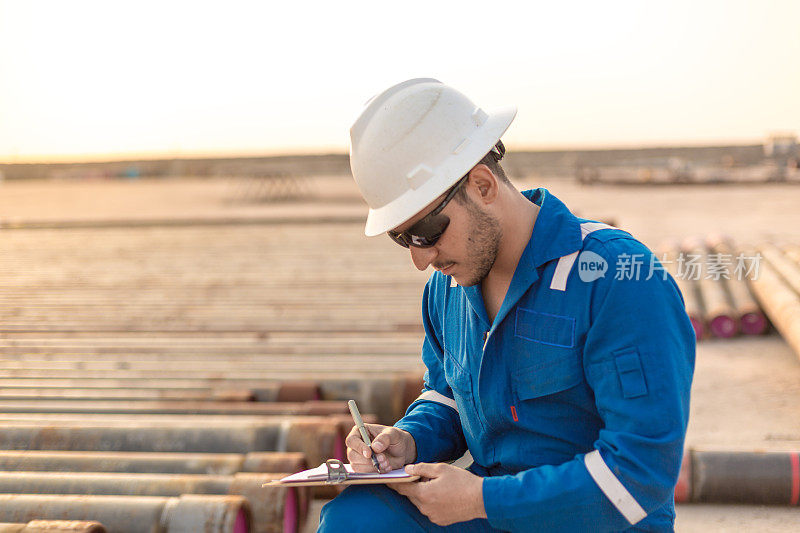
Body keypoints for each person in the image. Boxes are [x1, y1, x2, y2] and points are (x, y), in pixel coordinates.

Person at [318, 78, 695, 532]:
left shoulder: (616, 277)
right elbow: (450, 395)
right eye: (402, 240)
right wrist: (410, 440)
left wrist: (482, 498)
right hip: (489, 511)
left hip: (593, 521)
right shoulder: (448, 289)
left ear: (482, 185)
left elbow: (639, 475)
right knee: (356, 518)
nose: (420, 260)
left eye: (425, 232)